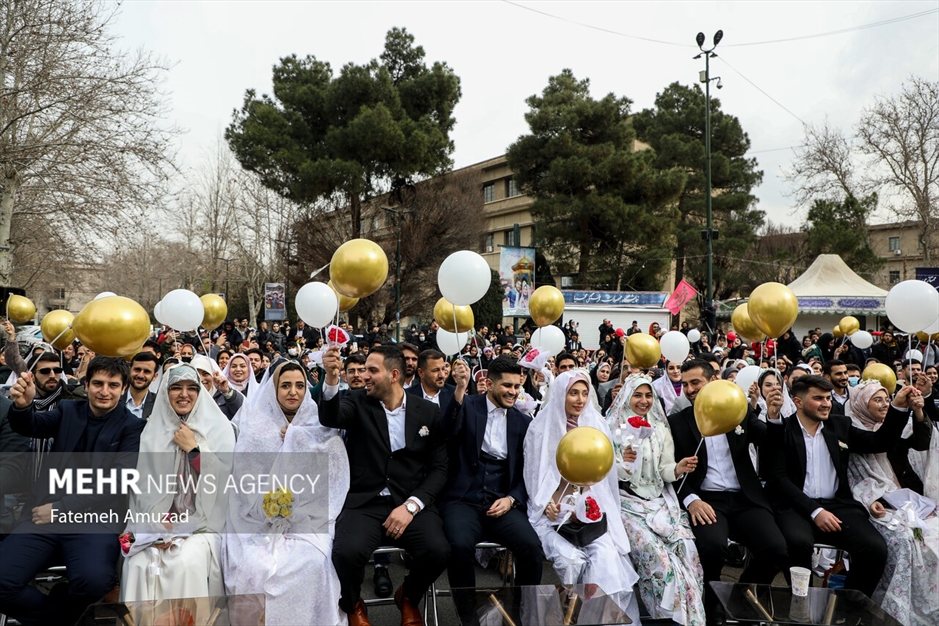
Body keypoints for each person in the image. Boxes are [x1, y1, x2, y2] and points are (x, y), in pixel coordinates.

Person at [0, 357, 144, 625]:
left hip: (94, 521)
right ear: (86, 384)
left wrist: (61, 509)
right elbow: (30, 425)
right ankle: (60, 618)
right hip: (42, 519)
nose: (105, 391)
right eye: (98, 383)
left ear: (123, 389)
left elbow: (118, 479)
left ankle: (60, 614)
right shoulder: (68, 410)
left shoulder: (132, 427)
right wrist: (22, 407)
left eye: (113, 385)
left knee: (95, 581)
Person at [319, 345, 450, 626]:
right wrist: (330, 378)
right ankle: (352, 603)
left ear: (393, 375)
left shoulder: (428, 412)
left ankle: (408, 596)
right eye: (364, 369)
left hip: (409, 501)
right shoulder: (356, 401)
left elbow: (440, 469)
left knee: (438, 550)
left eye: (371, 370)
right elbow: (330, 417)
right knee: (346, 552)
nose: (364, 375)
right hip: (364, 502)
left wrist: (412, 506)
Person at [223, 360, 350, 625]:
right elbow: (244, 485)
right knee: (251, 567)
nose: (293, 392)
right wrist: (270, 510)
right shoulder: (256, 428)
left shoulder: (320, 426)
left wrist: (297, 437)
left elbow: (331, 481)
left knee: (312, 562)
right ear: (274, 390)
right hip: (257, 519)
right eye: (285, 385)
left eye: (300, 385)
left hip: (309, 520)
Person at [763, 374, 912, 598]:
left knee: (874, 548)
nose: (826, 403)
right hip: (796, 507)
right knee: (797, 543)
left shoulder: (839, 425)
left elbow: (879, 442)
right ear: (798, 402)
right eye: (818, 398)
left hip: (838, 506)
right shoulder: (783, 429)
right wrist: (815, 511)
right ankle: (801, 601)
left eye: (827, 397)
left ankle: (847, 605)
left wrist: (899, 407)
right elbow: (777, 478)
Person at [669, 360, 788, 626]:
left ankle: (740, 595)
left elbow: (770, 442)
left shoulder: (740, 411)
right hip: (707, 499)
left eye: (695, 382)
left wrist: (773, 415)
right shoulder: (677, 422)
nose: (689, 389)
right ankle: (712, 608)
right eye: (685, 384)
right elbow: (670, 470)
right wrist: (691, 500)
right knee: (711, 548)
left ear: (713, 381)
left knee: (776, 549)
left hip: (746, 497)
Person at [524, 371, 639, 613]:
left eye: (585, 393)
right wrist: (548, 504)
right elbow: (534, 476)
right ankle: (564, 614)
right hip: (551, 512)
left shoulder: (596, 424)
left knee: (605, 559)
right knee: (570, 562)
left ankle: (597, 617)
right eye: (573, 393)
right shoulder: (540, 428)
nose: (580, 399)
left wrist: (585, 505)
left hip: (588, 509)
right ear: (560, 394)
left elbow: (600, 477)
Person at [439, 357, 543, 624]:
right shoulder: (468, 405)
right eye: (506, 385)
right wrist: (460, 388)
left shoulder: (522, 422)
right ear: (489, 384)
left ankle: (520, 611)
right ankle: (469, 617)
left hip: (502, 501)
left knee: (532, 547)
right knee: (460, 546)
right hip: (464, 499)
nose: (513, 391)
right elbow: (448, 430)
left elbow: (526, 471)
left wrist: (511, 499)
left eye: (517, 386)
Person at [120, 363, 236, 603]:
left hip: (204, 524)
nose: (184, 394)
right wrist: (158, 526)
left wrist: (194, 449)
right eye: (176, 388)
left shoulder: (219, 427)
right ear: (165, 392)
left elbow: (224, 482)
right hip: (157, 524)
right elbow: (143, 489)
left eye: (191, 388)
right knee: (137, 562)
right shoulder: (153, 431)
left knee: (184, 562)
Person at [607, 373, 705, 625]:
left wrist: (678, 468)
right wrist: (624, 464)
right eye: (637, 395)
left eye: (648, 395)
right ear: (627, 396)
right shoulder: (611, 428)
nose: (644, 401)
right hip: (627, 502)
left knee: (686, 551)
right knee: (659, 559)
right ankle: (665, 616)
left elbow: (664, 470)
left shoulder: (660, 429)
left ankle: (689, 617)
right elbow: (606, 472)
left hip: (660, 501)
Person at [846, 379, 937, 625]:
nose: (885, 405)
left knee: (933, 536)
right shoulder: (851, 430)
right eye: (877, 400)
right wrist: (873, 498)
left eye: (887, 399)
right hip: (873, 506)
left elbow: (922, 442)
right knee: (905, 542)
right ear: (862, 403)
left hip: (905, 498)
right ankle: (890, 605)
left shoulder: (896, 427)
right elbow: (854, 477)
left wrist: (918, 410)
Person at [191, 355, 244, 421]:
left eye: (205, 374)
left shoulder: (224, 396)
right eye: (196, 374)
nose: (201, 379)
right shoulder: (185, 397)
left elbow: (242, 411)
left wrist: (226, 391)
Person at [123, 352, 159, 419]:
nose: (140, 375)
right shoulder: (115, 398)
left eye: (146, 371)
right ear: (129, 370)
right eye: (137, 370)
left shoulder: (159, 404)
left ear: (154, 376)